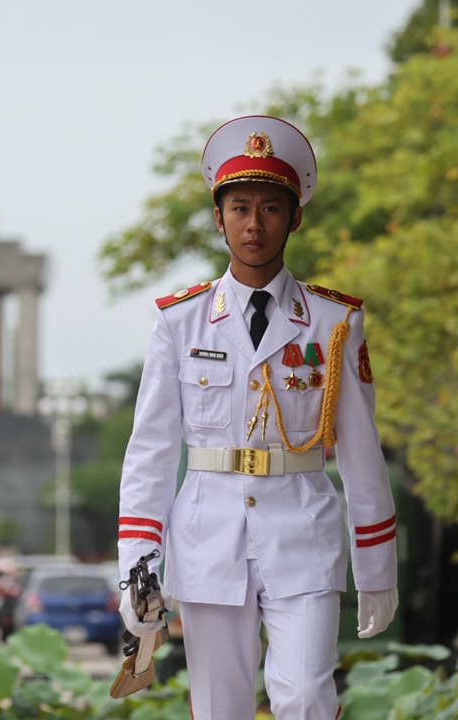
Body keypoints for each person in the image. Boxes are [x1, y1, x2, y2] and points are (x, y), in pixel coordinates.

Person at [116, 115, 398, 719]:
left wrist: (377, 564)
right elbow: (152, 451)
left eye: (270, 207)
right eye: (239, 207)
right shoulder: (179, 320)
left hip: (303, 528)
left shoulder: (335, 322)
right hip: (208, 534)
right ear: (218, 218)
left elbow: (361, 452)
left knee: (305, 697)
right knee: (220, 709)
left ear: (294, 217)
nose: (254, 223)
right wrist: (138, 566)